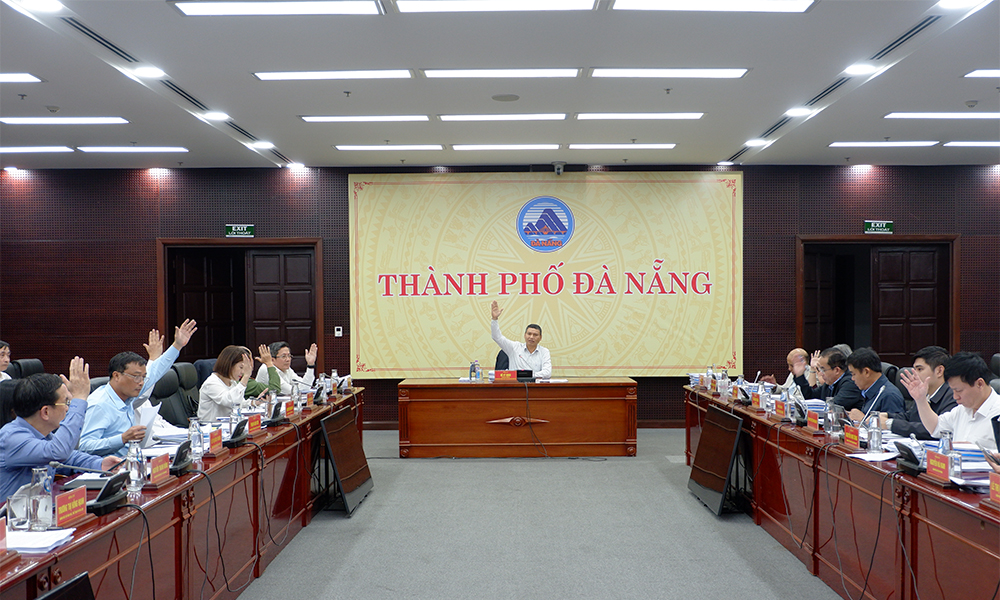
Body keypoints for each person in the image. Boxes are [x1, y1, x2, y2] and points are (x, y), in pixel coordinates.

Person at [0, 358, 120, 500]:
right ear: (45, 412)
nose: (68, 408)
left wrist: (100, 464)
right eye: (66, 402)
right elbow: (58, 452)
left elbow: (70, 458)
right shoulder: (11, 437)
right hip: (12, 513)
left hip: (41, 509)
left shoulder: (43, 434)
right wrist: (79, 399)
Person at [80, 319, 198, 457]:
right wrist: (122, 438)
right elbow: (84, 446)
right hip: (110, 466)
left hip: (133, 460)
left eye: (143, 377)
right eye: (136, 377)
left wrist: (177, 345)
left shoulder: (128, 395)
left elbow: (155, 371)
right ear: (116, 376)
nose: (141, 383)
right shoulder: (100, 404)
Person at [902, 352, 1000, 448]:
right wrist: (920, 399)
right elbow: (935, 427)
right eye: (953, 390)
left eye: (959, 390)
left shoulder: (997, 411)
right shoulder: (962, 409)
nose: (955, 397)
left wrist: (977, 451)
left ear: (979, 384)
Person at [873, 346, 956, 439]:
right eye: (914, 370)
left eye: (919, 369)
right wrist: (887, 415)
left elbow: (935, 429)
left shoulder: (954, 396)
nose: (914, 375)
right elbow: (910, 417)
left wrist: (890, 424)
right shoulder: (925, 393)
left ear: (939, 371)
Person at [490, 300, 551, 379]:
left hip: (535, 384)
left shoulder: (544, 351)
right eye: (529, 334)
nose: (531, 337)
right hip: (515, 385)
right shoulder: (514, 347)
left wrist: (527, 375)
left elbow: (547, 373)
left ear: (540, 338)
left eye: (535, 335)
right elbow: (497, 337)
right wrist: (494, 319)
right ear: (524, 335)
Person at [198, 346, 258, 422]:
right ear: (229, 365)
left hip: (227, 425)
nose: (243, 372)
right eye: (241, 367)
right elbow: (231, 402)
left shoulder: (231, 382)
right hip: (211, 427)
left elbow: (239, 402)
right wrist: (246, 376)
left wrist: (254, 402)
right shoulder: (211, 383)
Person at [794, 346, 862, 410]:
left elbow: (833, 407)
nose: (821, 373)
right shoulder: (829, 383)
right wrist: (800, 376)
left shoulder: (850, 383)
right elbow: (810, 397)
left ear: (837, 370)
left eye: (823, 369)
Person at [845, 347, 905, 417]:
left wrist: (863, 420)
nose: (852, 379)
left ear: (866, 372)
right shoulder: (869, 391)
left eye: (853, 374)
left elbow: (893, 423)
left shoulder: (889, 396)